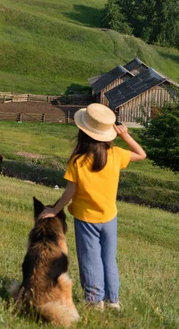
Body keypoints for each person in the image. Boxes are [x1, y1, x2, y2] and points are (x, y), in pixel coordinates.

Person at [38, 103, 146, 311]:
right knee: (108, 259)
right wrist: (125, 136)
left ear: (83, 132)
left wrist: (55, 209)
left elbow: (70, 192)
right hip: (109, 217)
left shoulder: (78, 161)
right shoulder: (115, 155)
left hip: (86, 219)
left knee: (90, 259)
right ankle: (113, 301)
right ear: (108, 133)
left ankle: (94, 301)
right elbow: (141, 154)